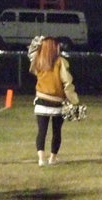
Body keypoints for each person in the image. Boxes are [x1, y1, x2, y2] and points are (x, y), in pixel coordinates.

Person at [28, 36, 80, 166]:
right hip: (57, 101)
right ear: (54, 47)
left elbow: (32, 55)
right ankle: (52, 158)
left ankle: (41, 159)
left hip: (41, 100)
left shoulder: (37, 61)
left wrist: (37, 44)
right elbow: (67, 82)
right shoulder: (60, 62)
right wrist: (74, 100)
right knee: (57, 131)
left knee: (41, 131)